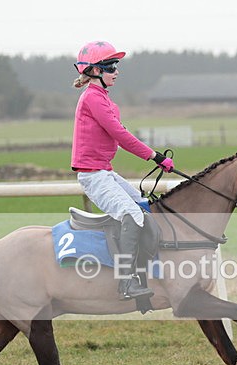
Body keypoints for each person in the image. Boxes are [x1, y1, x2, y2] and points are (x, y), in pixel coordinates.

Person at [71, 40, 173, 300]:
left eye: (116, 66)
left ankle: (147, 270)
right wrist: (154, 156)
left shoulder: (102, 98)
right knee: (131, 213)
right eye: (110, 66)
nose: (116, 71)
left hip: (104, 171)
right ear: (94, 71)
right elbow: (120, 134)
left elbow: (121, 132)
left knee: (142, 205)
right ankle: (126, 283)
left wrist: (154, 156)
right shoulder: (93, 98)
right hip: (93, 175)